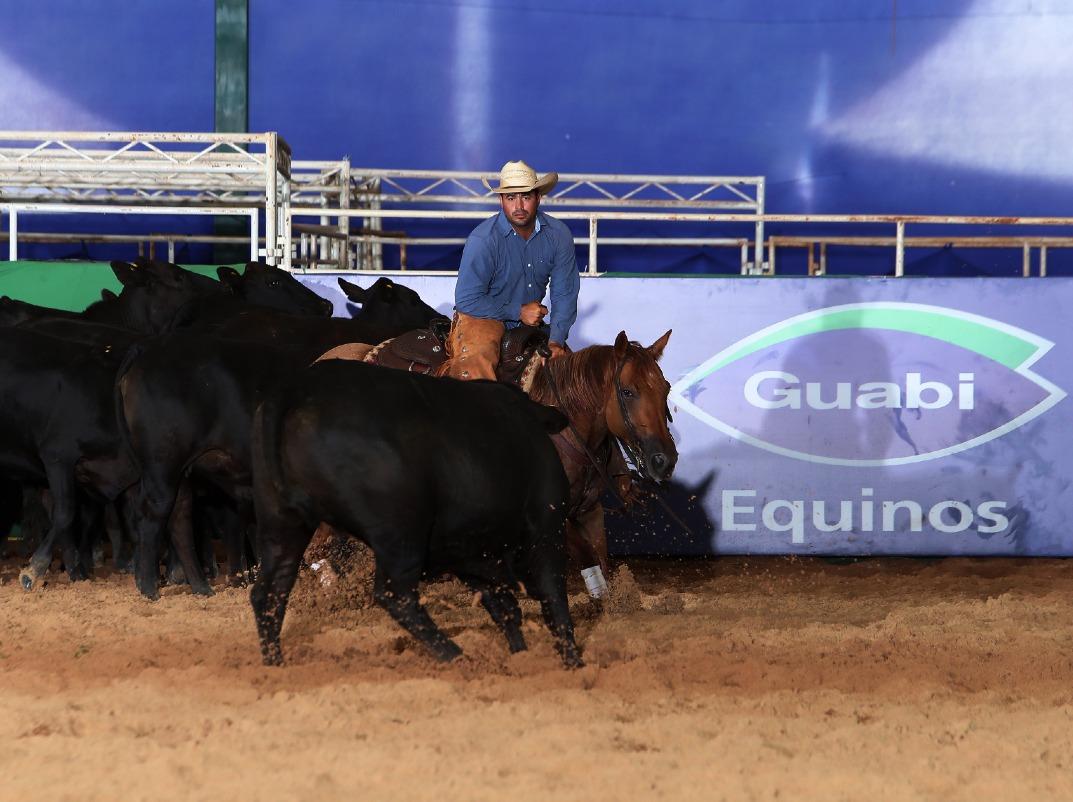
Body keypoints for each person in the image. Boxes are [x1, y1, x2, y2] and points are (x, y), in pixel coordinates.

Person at [439, 160, 580, 380]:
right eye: (511, 198)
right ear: (501, 200)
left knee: (571, 379)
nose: (519, 207)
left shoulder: (558, 235)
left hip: (529, 321)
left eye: (526, 197)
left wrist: (556, 340)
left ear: (538, 197)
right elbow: (467, 300)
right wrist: (518, 311)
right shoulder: (483, 240)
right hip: (481, 318)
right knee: (477, 370)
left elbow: (565, 293)